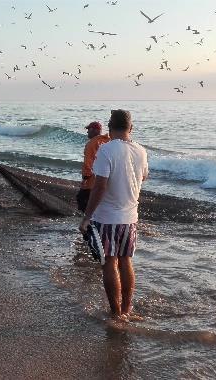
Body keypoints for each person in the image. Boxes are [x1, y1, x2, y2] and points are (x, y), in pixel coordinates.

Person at [79, 109, 148, 321]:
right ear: (131, 128)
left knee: (110, 261)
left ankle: (115, 313)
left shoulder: (107, 150)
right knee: (126, 261)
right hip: (130, 217)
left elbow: (99, 186)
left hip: (107, 216)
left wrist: (87, 216)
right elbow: (144, 177)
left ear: (109, 127)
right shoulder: (141, 151)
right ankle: (127, 310)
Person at [76, 121, 110, 212]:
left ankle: (88, 222)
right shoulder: (107, 141)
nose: (87, 132)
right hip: (105, 179)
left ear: (95, 130)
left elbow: (89, 163)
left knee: (82, 200)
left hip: (92, 180)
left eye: (89, 129)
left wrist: (85, 178)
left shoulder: (91, 144)